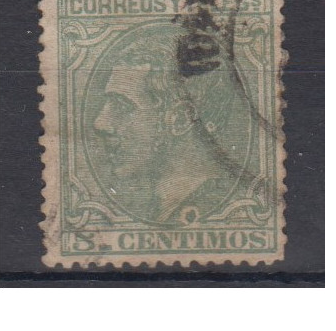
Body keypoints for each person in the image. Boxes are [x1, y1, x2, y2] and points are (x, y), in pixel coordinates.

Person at [91, 28, 243, 225]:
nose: (100, 123)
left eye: (122, 106)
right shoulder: (156, 207)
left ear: (180, 120)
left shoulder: (214, 203)